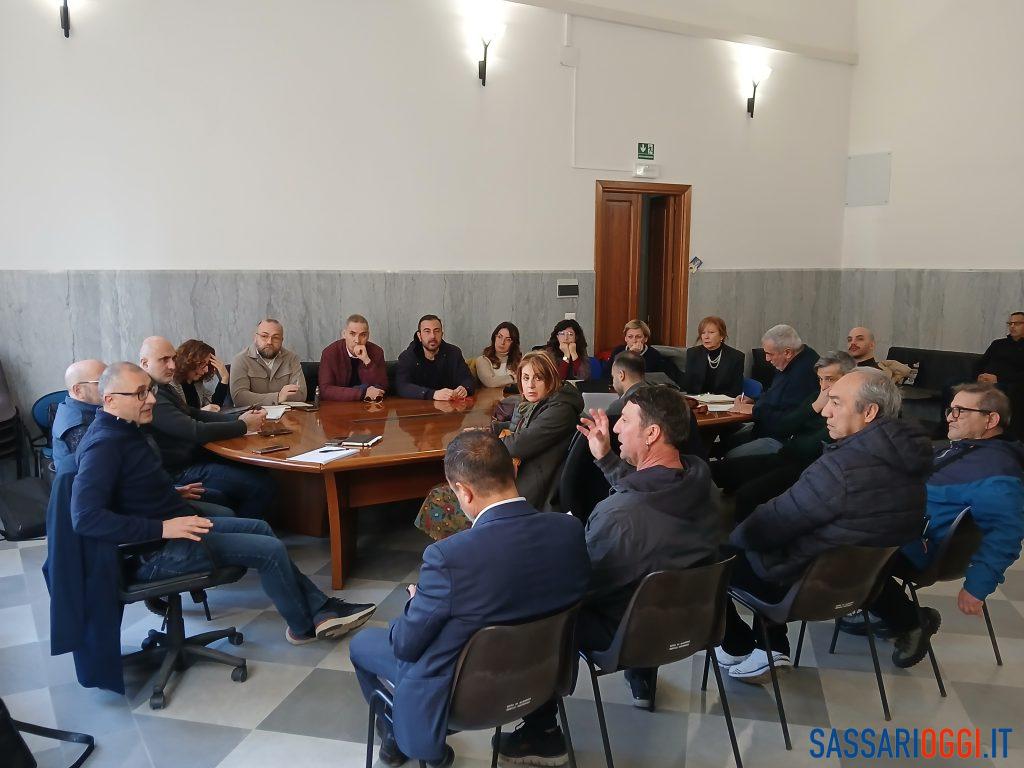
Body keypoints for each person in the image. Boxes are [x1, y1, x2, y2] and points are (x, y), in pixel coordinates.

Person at [71, 362, 375, 646]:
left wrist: (171, 493)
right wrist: (162, 526)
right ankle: (304, 625)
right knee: (270, 551)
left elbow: (128, 489)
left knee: (261, 527)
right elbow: (85, 518)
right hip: (156, 552)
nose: (150, 399)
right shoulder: (104, 445)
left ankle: (320, 609)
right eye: (139, 394)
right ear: (110, 400)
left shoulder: (125, 430)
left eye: (149, 390)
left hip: (180, 528)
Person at [496, 387, 719, 765]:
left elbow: (579, 588)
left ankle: (542, 733)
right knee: (649, 571)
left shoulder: (620, 516)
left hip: (627, 634)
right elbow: (647, 498)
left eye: (625, 422)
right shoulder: (700, 482)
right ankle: (643, 677)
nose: (616, 431)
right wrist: (607, 460)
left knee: (542, 612)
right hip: (687, 623)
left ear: (651, 434)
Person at [350, 430, 590, 767]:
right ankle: (403, 735)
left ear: (463, 490)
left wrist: (417, 602)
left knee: (361, 644)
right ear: (515, 470)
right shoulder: (569, 531)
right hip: (543, 679)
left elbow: (406, 645)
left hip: (466, 698)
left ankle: (403, 735)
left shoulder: (448, 558)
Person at [716, 368, 932, 683]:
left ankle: (758, 646)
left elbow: (769, 526)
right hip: (862, 584)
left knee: (716, 557)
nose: (826, 411)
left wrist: (733, 535)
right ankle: (765, 646)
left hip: (811, 587)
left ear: (869, 411)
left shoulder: (839, 469)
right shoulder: (911, 462)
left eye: (836, 402)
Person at [847, 384, 1024, 668]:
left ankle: (909, 622)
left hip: (921, 547)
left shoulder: (998, 475)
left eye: (961, 411)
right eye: (950, 409)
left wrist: (976, 588)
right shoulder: (970, 448)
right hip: (900, 527)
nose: (950, 417)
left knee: (838, 552)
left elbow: (1006, 535)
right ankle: (878, 605)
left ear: (991, 420)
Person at [414, 352, 583, 539]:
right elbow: (516, 429)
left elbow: (517, 444)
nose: (530, 385)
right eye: (525, 378)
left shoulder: (560, 410)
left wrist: (481, 442)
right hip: (515, 477)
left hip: (532, 489)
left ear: (551, 379)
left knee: (442, 500)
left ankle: (467, 552)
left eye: (538, 378)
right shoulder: (536, 403)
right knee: (441, 495)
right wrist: (487, 430)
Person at [140, 336, 275, 519]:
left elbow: (194, 413)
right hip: (179, 471)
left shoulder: (161, 387)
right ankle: (246, 533)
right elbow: (195, 430)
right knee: (261, 485)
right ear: (144, 363)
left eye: (173, 358)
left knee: (258, 468)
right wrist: (243, 425)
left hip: (192, 457)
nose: (172, 365)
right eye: (164, 360)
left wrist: (237, 419)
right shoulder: (150, 395)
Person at [713, 351, 856, 521]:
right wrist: (814, 407)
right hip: (786, 455)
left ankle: (741, 543)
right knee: (717, 469)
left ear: (848, 379)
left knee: (748, 494)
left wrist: (801, 428)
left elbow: (810, 447)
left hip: (808, 468)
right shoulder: (817, 398)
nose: (823, 386)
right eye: (820, 379)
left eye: (830, 379)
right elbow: (782, 428)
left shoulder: (849, 411)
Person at [725, 324, 819, 458]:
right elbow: (774, 394)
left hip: (785, 439)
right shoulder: (792, 359)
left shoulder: (803, 375)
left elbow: (787, 421)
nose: (766, 359)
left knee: (731, 456)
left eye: (769, 354)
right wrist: (754, 400)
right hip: (768, 428)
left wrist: (754, 409)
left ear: (787, 352)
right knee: (728, 442)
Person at [229, 318, 308, 406]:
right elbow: (239, 398)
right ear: (255, 337)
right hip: (253, 416)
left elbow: (301, 395)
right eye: (264, 336)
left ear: (282, 340)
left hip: (287, 416)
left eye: (276, 338)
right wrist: (278, 397)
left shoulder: (292, 358)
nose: (269, 342)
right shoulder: (240, 360)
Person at [395, 315, 475, 401]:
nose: (433, 336)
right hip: (420, 409)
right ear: (419, 335)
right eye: (427, 331)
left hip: (450, 408)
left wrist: (464, 388)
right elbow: (402, 386)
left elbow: (468, 379)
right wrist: (432, 394)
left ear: (442, 334)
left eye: (436, 331)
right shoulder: (407, 357)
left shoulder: (454, 353)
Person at [52, 359, 106, 474]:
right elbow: (99, 469)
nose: (111, 387)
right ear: (78, 390)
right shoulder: (78, 428)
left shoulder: (69, 405)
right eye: (102, 381)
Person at [319, 314, 389, 402]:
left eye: (363, 335)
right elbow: (325, 390)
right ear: (344, 334)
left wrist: (367, 361)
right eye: (352, 334)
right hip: (339, 407)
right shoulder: (330, 353)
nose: (357, 340)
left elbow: (382, 386)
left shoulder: (376, 352)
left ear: (368, 336)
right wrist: (362, 393)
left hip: (369, 408)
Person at [976, 312, 1024, 438]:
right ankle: (947, 426)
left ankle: (994, 433)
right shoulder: (998, 344)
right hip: (984, 379)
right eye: (1010, 323)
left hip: (1008, 383)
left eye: (1017, 323)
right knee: (952, 384)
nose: (1012, 326)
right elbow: (980, 363)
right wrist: (979, 376)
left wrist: (998, 379)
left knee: (1001, 390)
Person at [683, 316, 745, 396]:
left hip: (724, 403)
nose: (706, 337)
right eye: (703, 333)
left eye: (711, 332)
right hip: (698, 401)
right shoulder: (693, 353)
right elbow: (688, 386)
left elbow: (735, 390)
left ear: (722, 336)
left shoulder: (736, 357)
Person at [171, 339, 230, 410]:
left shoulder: (197, 383)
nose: (206, 370)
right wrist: (201, 412)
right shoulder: (171, 385)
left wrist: (224, 378)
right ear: (189, 362)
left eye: (208, 365)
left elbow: (214, 406)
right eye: (203, 364)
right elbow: (178, 417)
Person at [474, 322, 522, 389]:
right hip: (490, 398)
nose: (502, 342)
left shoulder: (520, 361)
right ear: (494, 338)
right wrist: (512, 378)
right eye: (499, 337)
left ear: (513, 343)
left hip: (514, 398)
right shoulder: (482, 360)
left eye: (508, 340)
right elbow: (490, 382)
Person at [606, 351, 646, 417]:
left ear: (621, 375)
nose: (613, 383)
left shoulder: (620, 406)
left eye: (613, 377)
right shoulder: (659, 396)